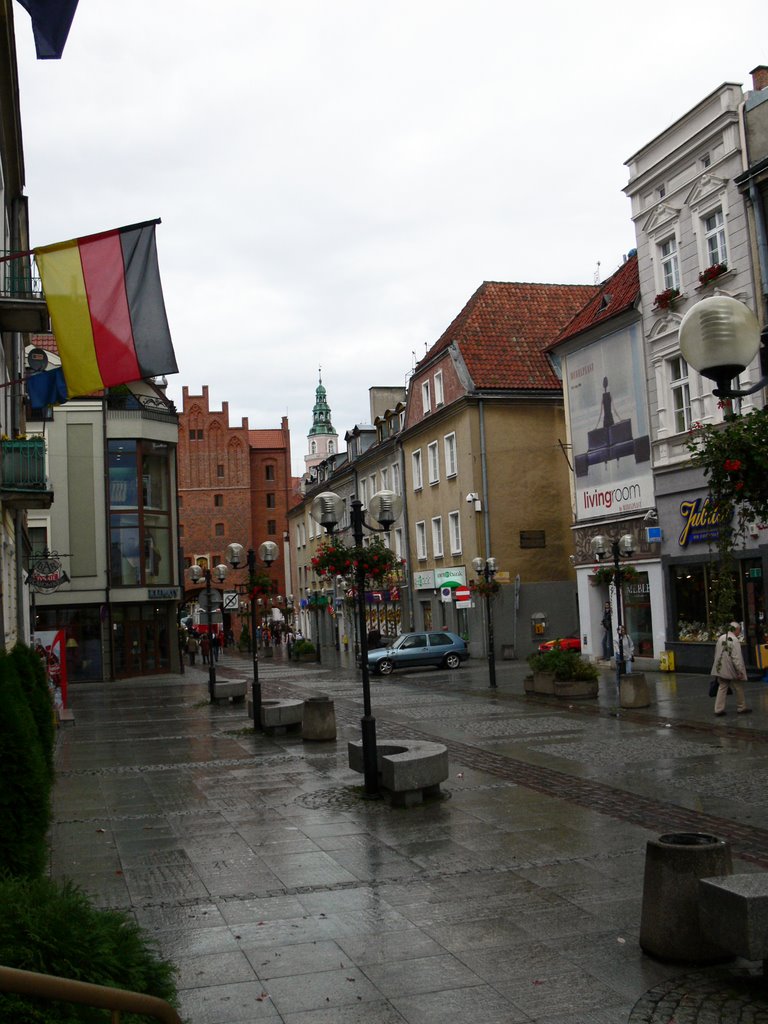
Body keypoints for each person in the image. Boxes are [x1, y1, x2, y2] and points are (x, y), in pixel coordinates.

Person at [710, 621, 751, 716]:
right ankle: (741, 707)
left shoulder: (721, 638)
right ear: (736, 630)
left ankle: (718, 709)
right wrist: (740, 671)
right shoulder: (734, 640)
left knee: (722, 687)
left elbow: (716, 653)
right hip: (731, 669)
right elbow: (736, 658)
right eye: (739, 630)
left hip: (721, 668)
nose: (739, 632)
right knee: (738, 687)